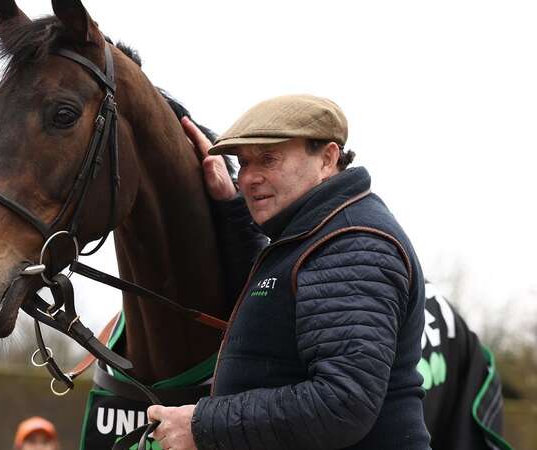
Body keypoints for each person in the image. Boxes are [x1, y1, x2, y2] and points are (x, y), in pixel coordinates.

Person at [147, 94, 431, 449]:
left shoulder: (351, 244)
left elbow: (342, 402)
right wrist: (229, 205)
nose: (249, 178)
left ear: (327, 159)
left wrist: (202, 425)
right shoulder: (315, 235)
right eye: (244, 163)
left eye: (268, 159)